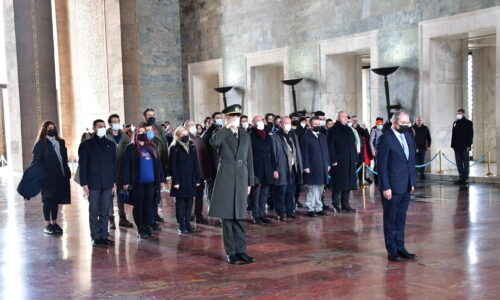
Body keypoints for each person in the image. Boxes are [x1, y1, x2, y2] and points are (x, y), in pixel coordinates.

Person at [209, 104, 255, 265]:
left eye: (237, 117)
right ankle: (231, 253)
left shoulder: (245, 134)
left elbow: (249, 159)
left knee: (240, 217)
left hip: (242, 177)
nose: (236, 120)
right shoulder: (221, 133)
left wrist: (250, 182)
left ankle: (242, 251)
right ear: (227, 118)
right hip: (226, 177)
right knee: (228, 218)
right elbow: (214, 143)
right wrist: (227, 126)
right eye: (232, 117)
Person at [377, 111, 417, 261]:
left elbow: (410, 161)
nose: (406, 126)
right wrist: (386, 187)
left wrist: (412, 181)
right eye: (403, 124)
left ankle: (401, 247)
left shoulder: (407, 135)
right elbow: (381, 166)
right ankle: (391, 249)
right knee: (390, 219)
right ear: (394, 123)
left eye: (407, 123)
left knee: (401, 218)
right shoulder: (385, 139)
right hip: (392, 187)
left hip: (405, 185)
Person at [21, 121, 71, 234]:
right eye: (49, 128)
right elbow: (36, 163)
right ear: (44, 129)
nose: (52, 129)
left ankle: (54, 222)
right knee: (48, 200)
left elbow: (64, 159)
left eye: (53, 127)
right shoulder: (40, 144)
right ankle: (47, 224)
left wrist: (66, 173)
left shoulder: (60, 142)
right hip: (47, 177)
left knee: (55, 200)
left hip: (59, 176)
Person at [122, 124, 166, 239]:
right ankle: (140, 227)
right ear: (136, 134)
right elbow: (126, 166)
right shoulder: (131, 148)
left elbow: (158, 164)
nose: (142, 134)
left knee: (149, 205)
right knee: (139, 205)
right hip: (138, 182)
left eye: (144, 132)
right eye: (140, 132)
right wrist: (126, 181)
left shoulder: (151, 146)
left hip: (151, 182)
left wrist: (161, 179)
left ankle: (147, 225)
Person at [78, 119, 116, 247]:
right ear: (94, 128)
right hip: (93, 183)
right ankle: (95, 237)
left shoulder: (110, 145)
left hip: (107, 183)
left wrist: (114, 182)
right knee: (94, 211)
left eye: (104, 127)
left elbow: (113, 165)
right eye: (100, 127)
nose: (102, 129)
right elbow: (82, 166)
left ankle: (104, 235)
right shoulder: (86, 145)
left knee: (105, 211)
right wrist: (84, 183)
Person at [169, 127, 202, 234]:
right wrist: (176, 181)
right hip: (180, 180)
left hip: (191, 179)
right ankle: (181, 224)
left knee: (189, 202)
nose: (186, 136)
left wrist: (197, 178)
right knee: (181, 203)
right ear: (178, 136)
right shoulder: (175, 148)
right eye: (183, 134)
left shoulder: (192, 147)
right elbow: (172, 166)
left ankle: (187, 223)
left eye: (186, 133)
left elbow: (196, 164)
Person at [105, 114, 133, 229]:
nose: (116, 123)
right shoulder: (105, 136)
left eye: (118, 121)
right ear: (110, 123)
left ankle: (122, 217)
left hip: (122, 169)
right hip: (109, 169)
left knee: (122, 194)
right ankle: (111, 218)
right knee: (110, 195)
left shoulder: (125, 137)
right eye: (114, 121)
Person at [273, 117, 303, 220]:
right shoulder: (275, 136)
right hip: (282, 168)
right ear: (280, 124)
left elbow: (297, 151)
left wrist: (300, 166)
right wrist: (275, 169)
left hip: (293, 168)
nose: (288, 125)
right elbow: (274, 154)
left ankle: (290, 211)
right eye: (286, 123)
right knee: (281, 191)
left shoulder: (293, 135)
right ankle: (281, 212)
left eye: (289, 123)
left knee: (291, 191)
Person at [328, 112, 358, 213]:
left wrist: (354, 159)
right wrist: (333, 160)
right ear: (338, 118)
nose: (345, 119)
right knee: (338, 184)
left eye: (346, 117)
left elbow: (353, 145)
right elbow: (331, 146)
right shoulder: (333, 130)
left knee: (348, 184)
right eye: (343, 117)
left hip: (349, 161)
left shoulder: (349, 129)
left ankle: (345, 204)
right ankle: (336, 205)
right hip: (338, 162)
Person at [142, 108, 169, 223]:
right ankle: (147, 217)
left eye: (153, 115)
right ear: (145, 117)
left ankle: (155, 213)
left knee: (156, 193)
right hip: (147, 163)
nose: (152, 117)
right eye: (149, 115)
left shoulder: (158, 128)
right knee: (147, 194)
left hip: (159, 162)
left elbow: (163, 144)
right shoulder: (142, 128)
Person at [249, 116, 277, 224]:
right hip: (257, 170)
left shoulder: (267, 136)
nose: (260, 122)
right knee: (256, 194)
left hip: (268, 169)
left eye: (261, 120)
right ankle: (256, 215)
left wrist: (274, 169)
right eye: (258, 121)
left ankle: (262, 214)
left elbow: (272, 154)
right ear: (253, 123)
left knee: (264, 194)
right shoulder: (250, 136)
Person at [301, 117, 330, 217]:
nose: (318, 126)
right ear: (310, 125)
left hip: (322, 166)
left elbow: (326, 151)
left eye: (319, 124)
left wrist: (328, 163)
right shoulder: (305, 137)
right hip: (311, 167)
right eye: (315, 124)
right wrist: (305, 166)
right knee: (311, 188)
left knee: (320, 188)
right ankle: (310, 208)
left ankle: (319, 207)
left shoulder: (322, 136)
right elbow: (304, 153)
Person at [184, 120, 212, 224]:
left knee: (199, 196)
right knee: (189, 196)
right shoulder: (185, 140)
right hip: (190, 174)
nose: (192, 127)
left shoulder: (199, 139)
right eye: (190, 125)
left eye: (194, 125)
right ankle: (187, 216)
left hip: (200, 173)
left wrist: (206, 172)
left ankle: (198, 215)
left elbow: (204, 156)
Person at [201, 111, 223, 202]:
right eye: (217, 118)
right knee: (212, 184)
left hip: (222, 162)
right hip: (212, 162)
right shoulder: (208, 132)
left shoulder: (224, 130)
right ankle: (212, 203)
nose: (219, 119)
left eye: (220, 117)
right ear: (213, 119)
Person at [451, 109, 474, 187]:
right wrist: (452, 145)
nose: (458, 114)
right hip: (456, 147)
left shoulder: (468, 123)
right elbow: (453, 135)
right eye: (457, 113)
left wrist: (469, 145)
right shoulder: (455, 123)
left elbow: (470, 135)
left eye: (460, 113)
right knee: (459, 164)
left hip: (465, 147)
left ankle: (466, 178)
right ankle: (461, 177)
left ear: (463, 114)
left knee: (466, 163)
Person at [370, 119, 385, 185]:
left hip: (383, 150)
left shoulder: (384, 131)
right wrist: (373, 150)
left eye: (381, 124)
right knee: (376, 165)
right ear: (376, 125)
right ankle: (376, 180)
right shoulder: (374, 131)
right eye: (379, 124)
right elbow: (370, 142)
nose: (380, 125)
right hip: (377, 151)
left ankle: (382, 179)